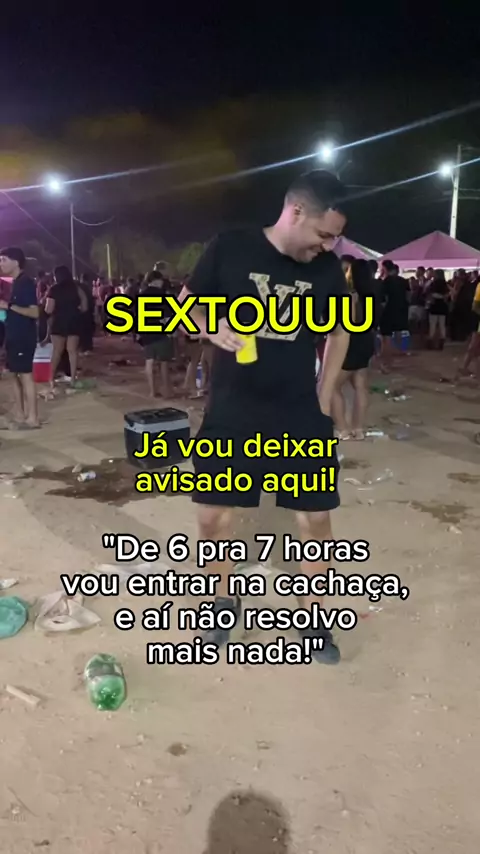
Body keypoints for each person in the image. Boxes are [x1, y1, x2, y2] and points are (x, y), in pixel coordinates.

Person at [180, 169, 350, 665]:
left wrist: (323, 397)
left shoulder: (326, 269)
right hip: (233, 409)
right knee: (213, 518)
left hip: (298, 412)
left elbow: (340, 332)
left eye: (335, 239)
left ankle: (312, 617)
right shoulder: (230, 247)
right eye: (324, 234)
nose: (328, 246)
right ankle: (222, 603)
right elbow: (188, 307)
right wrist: (211, 328)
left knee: (315, 521)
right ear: (296, 212)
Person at [331, 259, 378, 440]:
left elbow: (346, 326)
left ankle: (343, 429)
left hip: (351, 343)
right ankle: (358, 429)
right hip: (367, 342)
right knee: (360, 386)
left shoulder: (350, 296)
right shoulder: (372, 295)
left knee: (332, 386)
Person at [0, 247, 40, 429]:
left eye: (4, 260)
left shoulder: (26, 283)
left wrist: (8, 306)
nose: (1, 264)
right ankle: (19, 414)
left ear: (16, 262)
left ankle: (33, 418)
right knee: (12, 374)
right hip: (13, 335)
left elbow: (34, 312)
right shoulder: (15, 283)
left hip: (24, 336)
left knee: (25, 375)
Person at [44, 265, 87, 390]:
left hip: (58, 321)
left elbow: (48, 309)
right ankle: (73, 379)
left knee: (57, 352)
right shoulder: (76, 288)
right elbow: (85, 306)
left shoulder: (53, 289)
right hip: (74, 321)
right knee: (72, 351)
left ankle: (51, 379)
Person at [138, 270, 174, 398]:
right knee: (164, 362)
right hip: (160, 332)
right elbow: (167, 315)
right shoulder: (162, 294)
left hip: (146, 332)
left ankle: (152, 391)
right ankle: (167, 391)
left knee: (149, 361)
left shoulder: (142, 295)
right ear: (157, 280)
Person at [378, 259, 409, 371]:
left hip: (388, 312)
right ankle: (395, 355)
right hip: (401, 310)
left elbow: (383, 299)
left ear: (384, 268)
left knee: (386, 338)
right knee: (396, 333)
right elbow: (408, 295)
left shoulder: (386, 281)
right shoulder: (403, 281)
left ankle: (386, 363)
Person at [426, 269, 449, 349]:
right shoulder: (445, 284)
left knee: (432, 325)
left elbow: (428, 294)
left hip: (434, 306)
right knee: (442, 325)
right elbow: (447, 296)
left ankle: (430, 342)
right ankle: (441, 342)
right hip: (443, 307)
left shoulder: (432, 284)